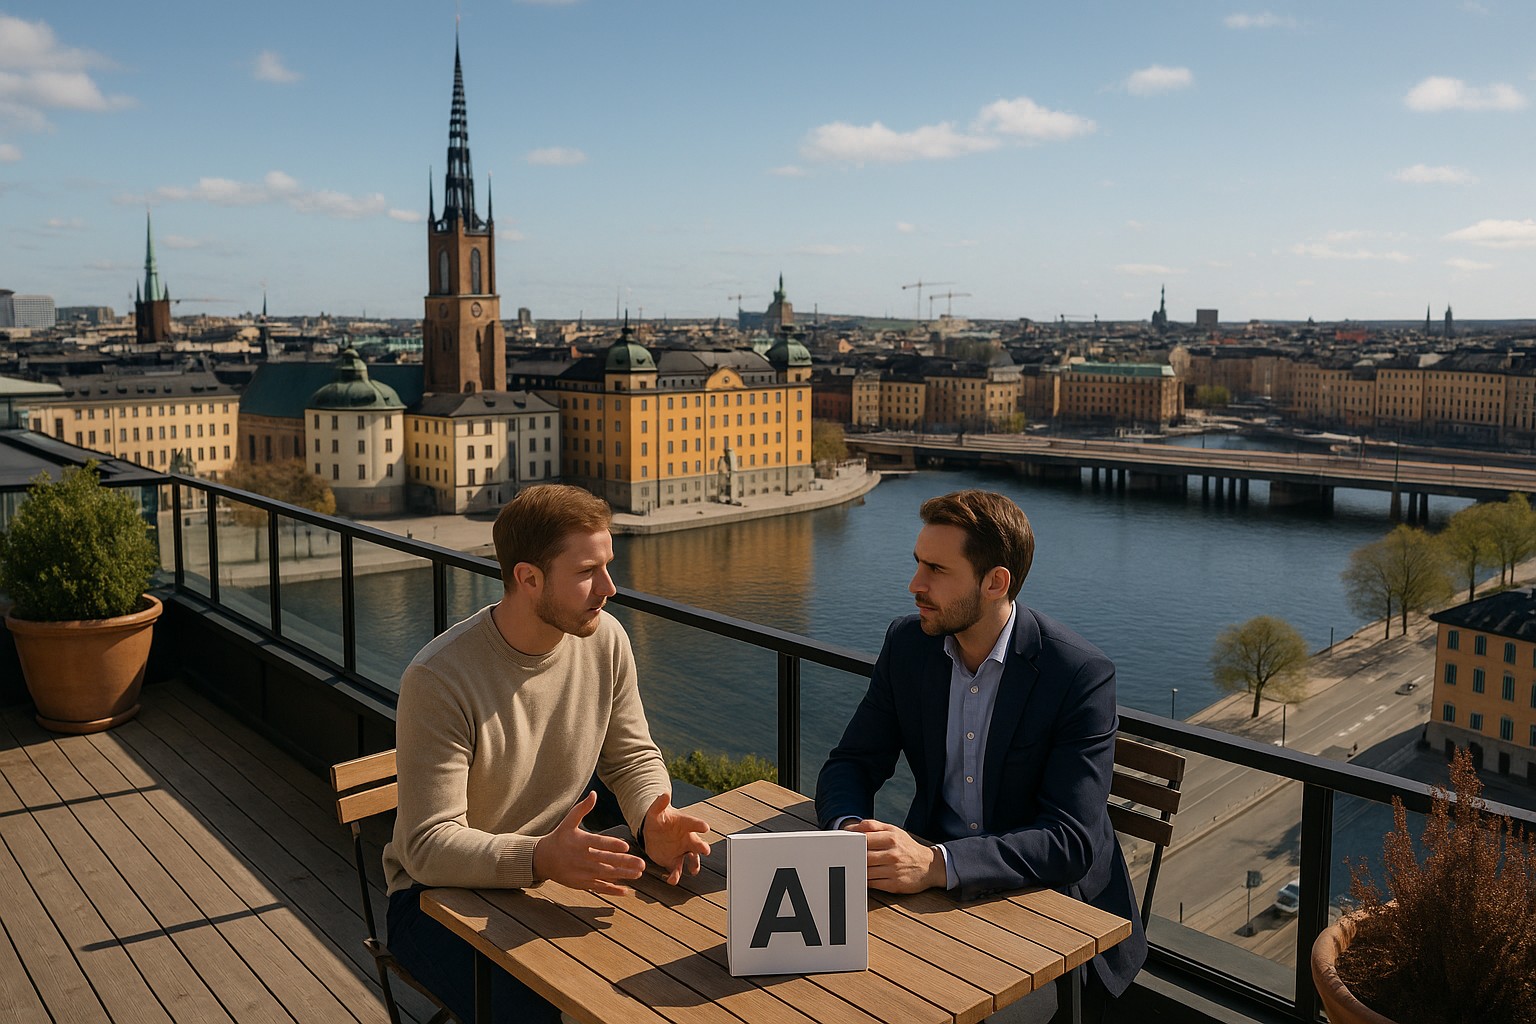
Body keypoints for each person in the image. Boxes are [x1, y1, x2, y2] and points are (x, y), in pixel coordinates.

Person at [383, 484, 712, 1023]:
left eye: (607, 565)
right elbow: (425, 846)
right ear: (528, 577)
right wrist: (539, 857)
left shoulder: (605, 638)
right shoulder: (438, 679)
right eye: (587, 572)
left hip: (549, 878)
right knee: (552, 1011)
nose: (609, 587)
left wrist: (654, 815)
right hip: (431, 899)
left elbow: (630, 757)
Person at [815, 489, 1146, 1020]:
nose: (915, 585)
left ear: (996, 582)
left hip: (1042, 907)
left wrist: (937, 864)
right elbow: (852, 762)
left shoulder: (1078, 674)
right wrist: (850, 832)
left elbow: (1071, 840)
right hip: (930, 894)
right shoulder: (908, 644)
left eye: (937, 570)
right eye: (918, 563)